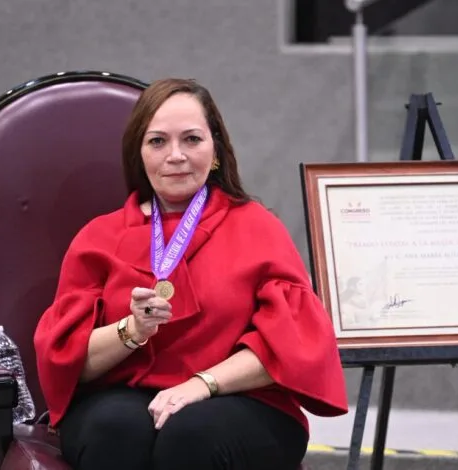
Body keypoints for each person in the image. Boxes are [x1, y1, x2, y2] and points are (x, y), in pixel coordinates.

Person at [33, 78, 348, 470]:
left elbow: (289, 346)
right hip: (121, 394)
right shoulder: (98, 237)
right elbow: (68, 362)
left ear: (215, 149)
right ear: (139, 153)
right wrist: (133, 330)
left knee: (191, 435)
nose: (176, 155)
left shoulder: (259, 228)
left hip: (240, 398)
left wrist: (203, 384)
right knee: (114, 431)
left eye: (192, 139)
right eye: (158, 141)